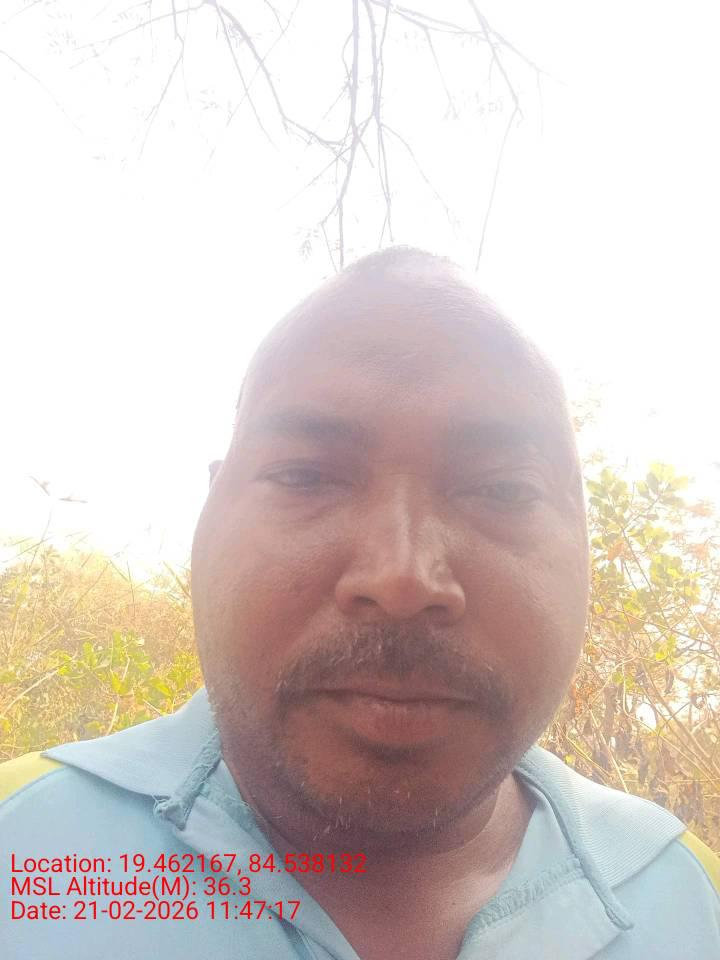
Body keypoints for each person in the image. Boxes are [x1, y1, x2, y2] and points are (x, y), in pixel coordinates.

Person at [1, 247, 719, 960]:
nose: (402, 579)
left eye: (504, 489)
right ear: (212, 510)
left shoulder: (688, 897)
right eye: (306, 476)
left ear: (586, 536)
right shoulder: (21, 846)